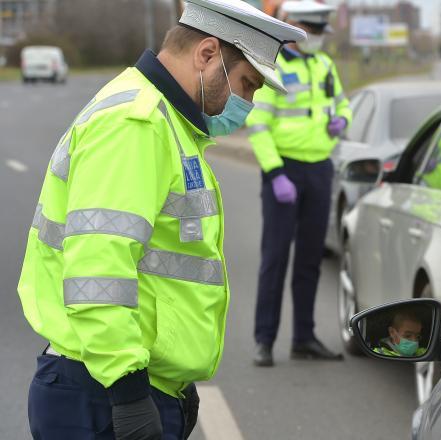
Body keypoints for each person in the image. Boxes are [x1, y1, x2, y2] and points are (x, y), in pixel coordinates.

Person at [16, 1, 304, 438]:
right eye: (246, 84)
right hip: (102, 393)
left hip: (123, 385)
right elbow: (98, 268)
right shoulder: (136, 125)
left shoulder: (167, 122)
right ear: (207, 54)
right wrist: (130, 393)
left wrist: (172, 384)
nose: (246, 103)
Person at [247, 0, 352, 367]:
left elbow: (343, 105)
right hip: (284, 173)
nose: (319, 39)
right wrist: (275, 174)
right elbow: (258, 127)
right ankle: (264, 339)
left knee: (310, 260)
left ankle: (304, 338)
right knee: (275, 258)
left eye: (322, 32)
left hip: (319, 170)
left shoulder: (324, 65)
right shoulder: (272, 68)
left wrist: (342, 120)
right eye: (315, 32)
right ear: (295, 29)